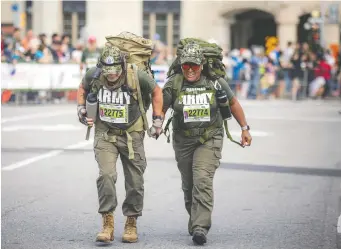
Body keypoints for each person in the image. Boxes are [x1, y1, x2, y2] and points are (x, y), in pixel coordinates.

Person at [161, 42, 252, 245]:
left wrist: (245, 128)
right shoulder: (174, 83)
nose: (190, 70)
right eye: (186, 66)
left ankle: (200, 227)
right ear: (181, 65)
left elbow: (233, 103)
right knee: (189, 184)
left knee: (202, 179)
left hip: (210, 137)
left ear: (202, 64)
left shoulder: (215, 82)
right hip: (183, 139)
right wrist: (157, 122)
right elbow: (161, 106)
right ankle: (195, 218)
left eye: (194, 65)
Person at [76, 42, 163, 243]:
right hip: (105, 132)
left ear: (122, 65)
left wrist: (158, 120)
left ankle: (131, 222)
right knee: (106, 175)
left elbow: (157, 92)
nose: (112, 74)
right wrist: (81, 109)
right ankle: (107, 222)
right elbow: (82, 87)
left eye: (115, 69)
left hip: (132, 134)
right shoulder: (95, 74)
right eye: (108, 70)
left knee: (135, 181)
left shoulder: (136, 75)